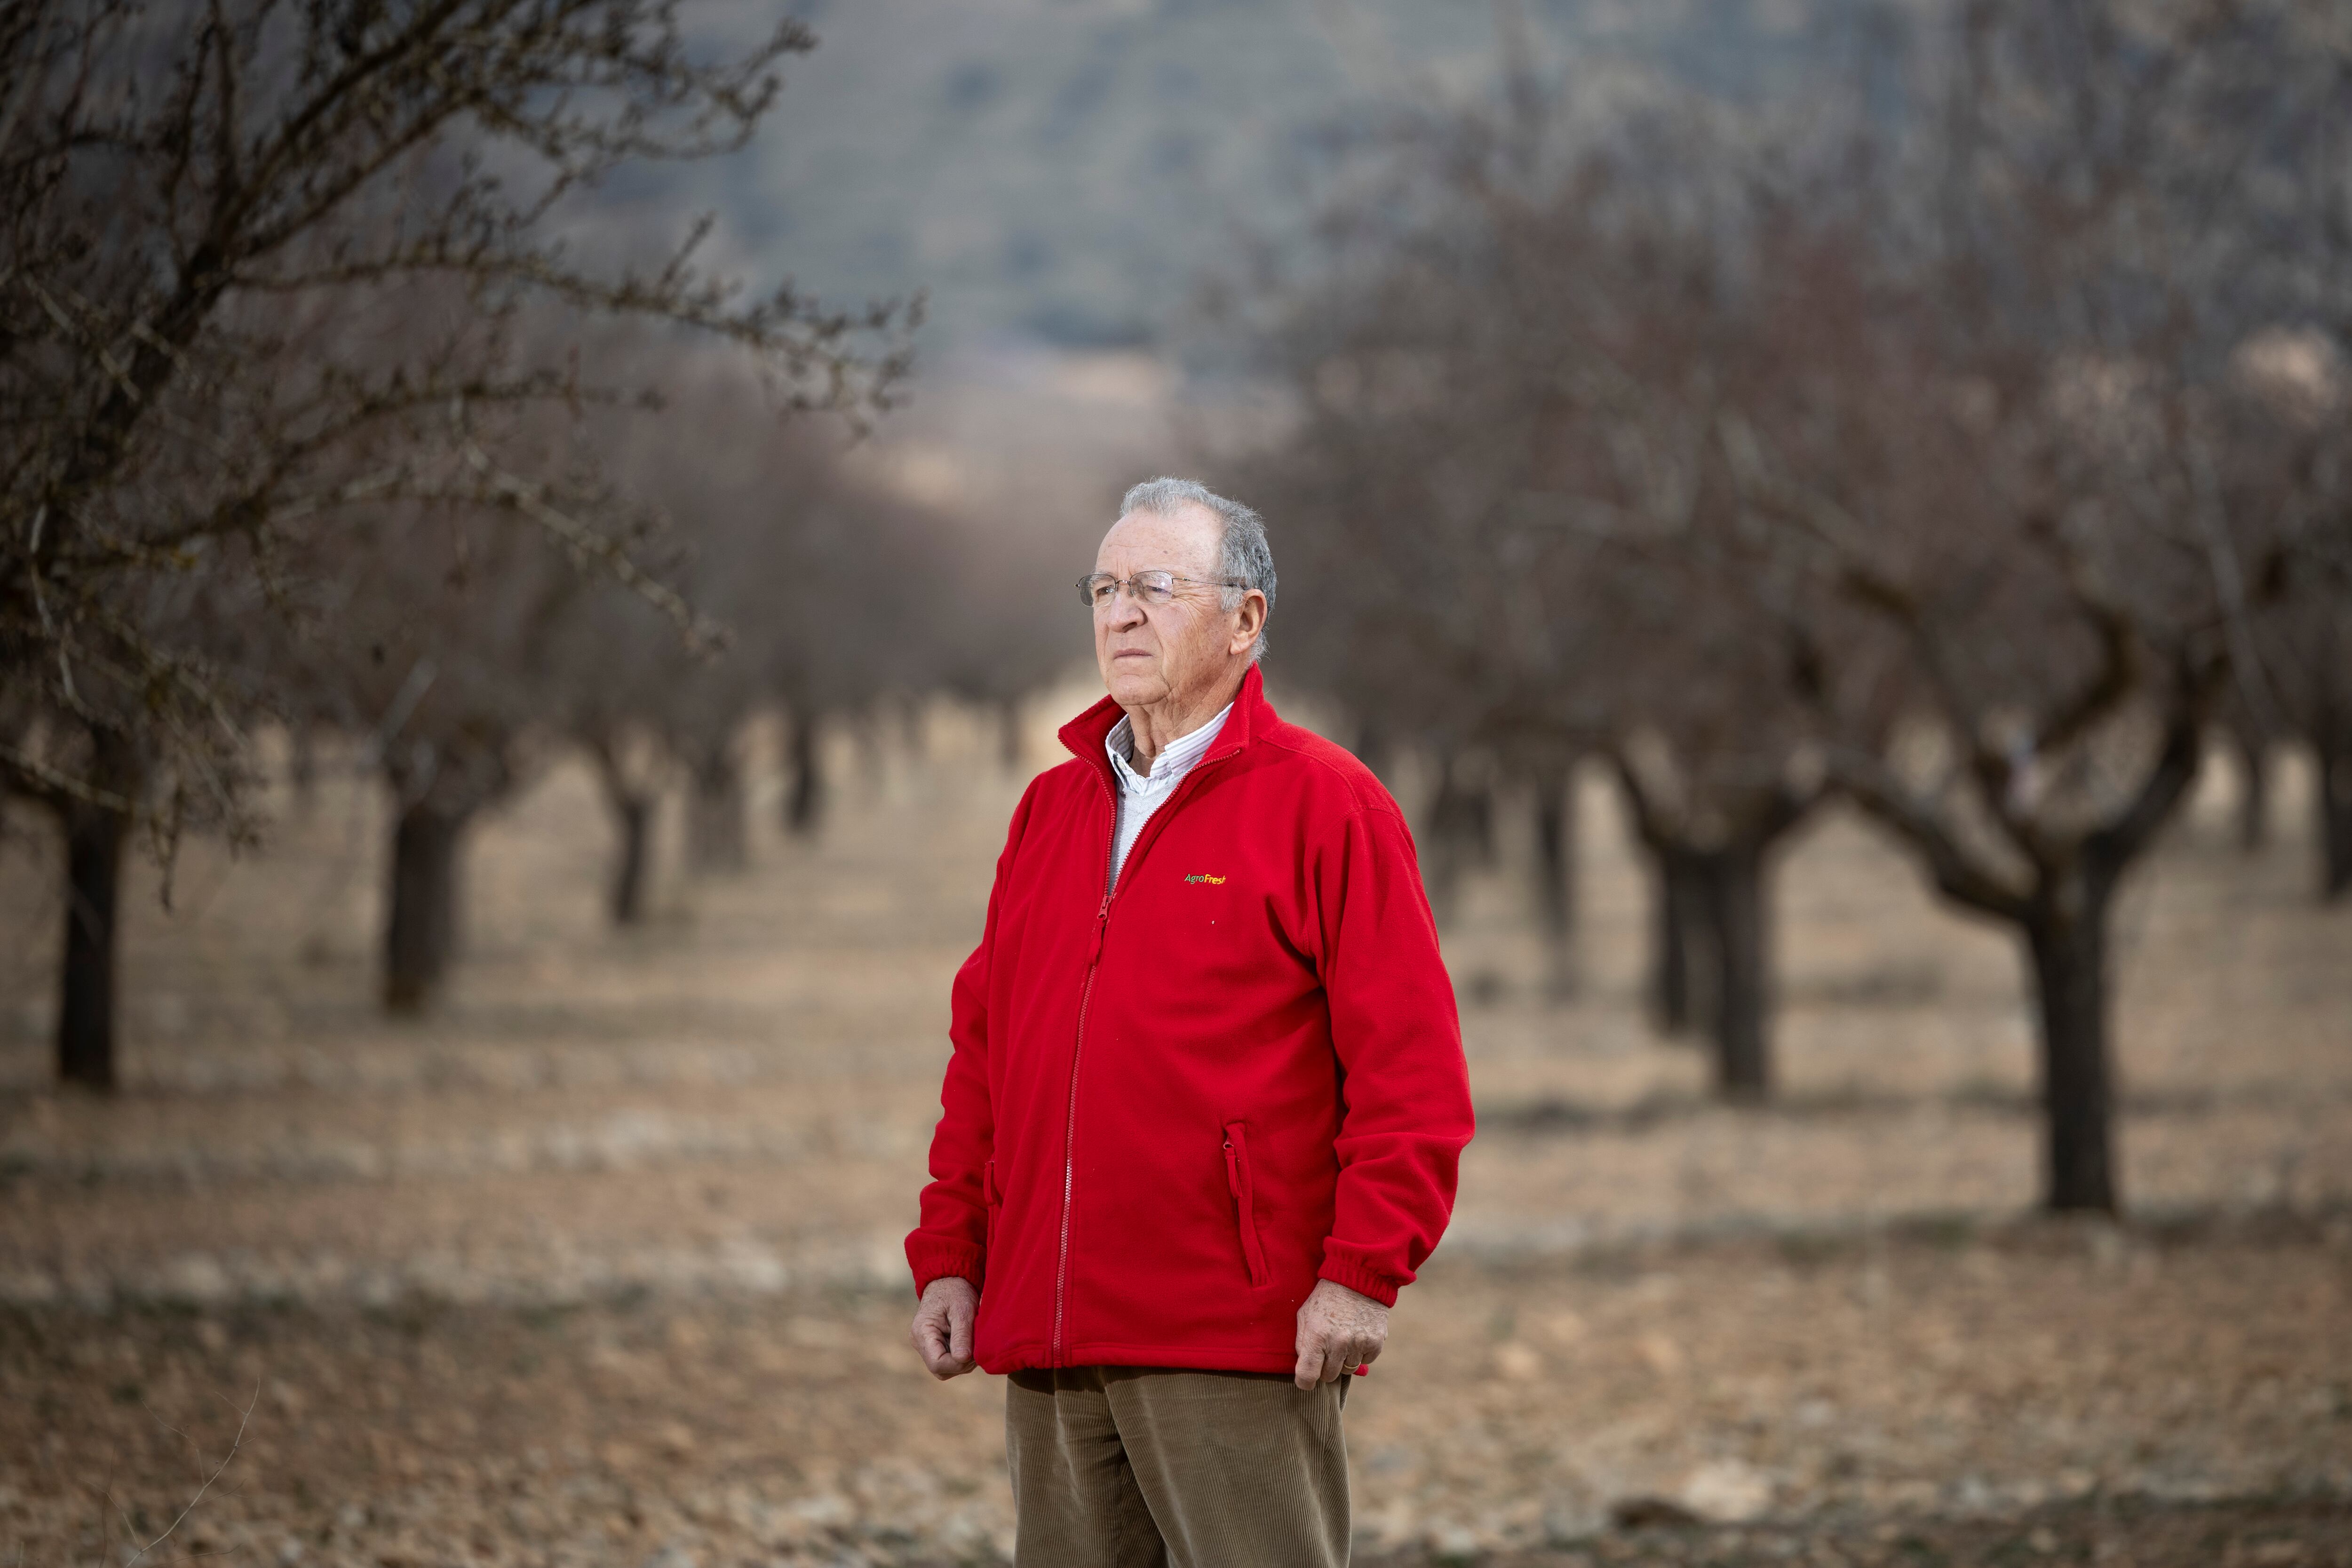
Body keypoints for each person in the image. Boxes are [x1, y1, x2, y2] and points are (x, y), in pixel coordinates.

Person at [905, 477, 1474, 1567]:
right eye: (1104, 586)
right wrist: (951, 1254)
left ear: (1245, 619)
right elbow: (984, 1055)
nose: (1119, 612)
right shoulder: (1049, 810)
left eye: (1156, 587)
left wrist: (1362, 1269)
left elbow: (1412, 1070)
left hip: (1232, 1335)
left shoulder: (1328, 803)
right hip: (1050, 1334)